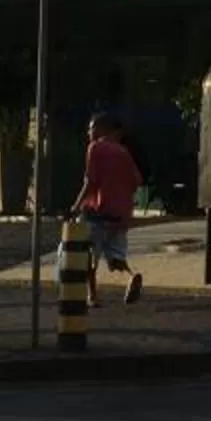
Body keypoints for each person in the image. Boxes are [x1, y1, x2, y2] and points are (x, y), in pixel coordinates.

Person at [75, 113, 145, 306]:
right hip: (121, 215)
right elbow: (136, 181)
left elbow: (90, 182)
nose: (88, 132)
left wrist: (75, 206)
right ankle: (131, 276)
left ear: (101, 129)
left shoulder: (95, 148)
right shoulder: (124, 153)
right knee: (116, 257)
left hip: (97, 211)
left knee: (90, 256)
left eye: (91, 127)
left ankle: (93, 296)